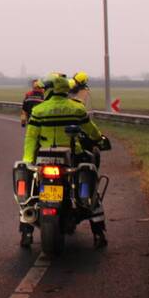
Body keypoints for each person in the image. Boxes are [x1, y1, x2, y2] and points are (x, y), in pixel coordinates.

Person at [21, 73, 107, 248]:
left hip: (43, 157)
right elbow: (92, 131)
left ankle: (26, 233)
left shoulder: (39, 110)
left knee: (31, 193)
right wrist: (99, 139)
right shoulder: (76, 108)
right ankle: (98, 234)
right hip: (72, 156)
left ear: (51, 90)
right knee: (91, 186)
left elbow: (30, 138)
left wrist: (28, 160)